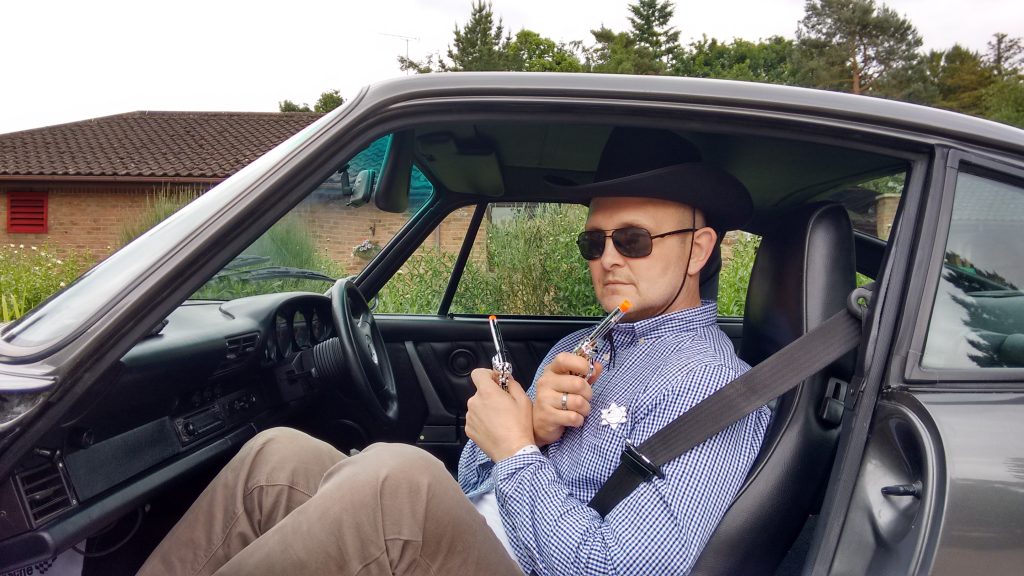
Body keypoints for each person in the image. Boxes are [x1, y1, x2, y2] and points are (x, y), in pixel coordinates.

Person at [138, 128, 770, 576]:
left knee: (398, 482)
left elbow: (623, 569)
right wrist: (534, 433)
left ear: (699, 248)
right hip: (484, 539)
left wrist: (519, 452)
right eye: (594, 241)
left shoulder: (720, 393)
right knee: (275, 457)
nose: (607, 258)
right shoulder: (585, 345)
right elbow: (474, 483)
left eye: (633, 240)